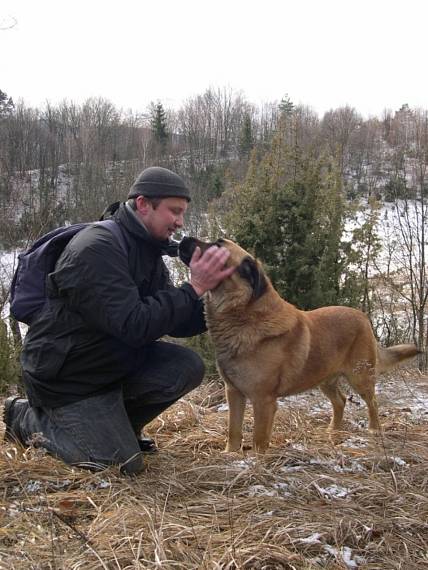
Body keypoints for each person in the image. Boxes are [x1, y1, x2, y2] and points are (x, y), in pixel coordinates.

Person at [3, 166, 234, 474]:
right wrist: (194, 287)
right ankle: (26, 419)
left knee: (185, 367)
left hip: (108, 363)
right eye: (174, 211)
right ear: (143, 204)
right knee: (119, 465)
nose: (180, 222)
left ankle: (117, 428)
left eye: (183, 213)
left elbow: (173, 321)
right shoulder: (97, 248)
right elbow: (134, 325)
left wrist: (219, 302)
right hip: (68, 376)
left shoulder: (145, 247)